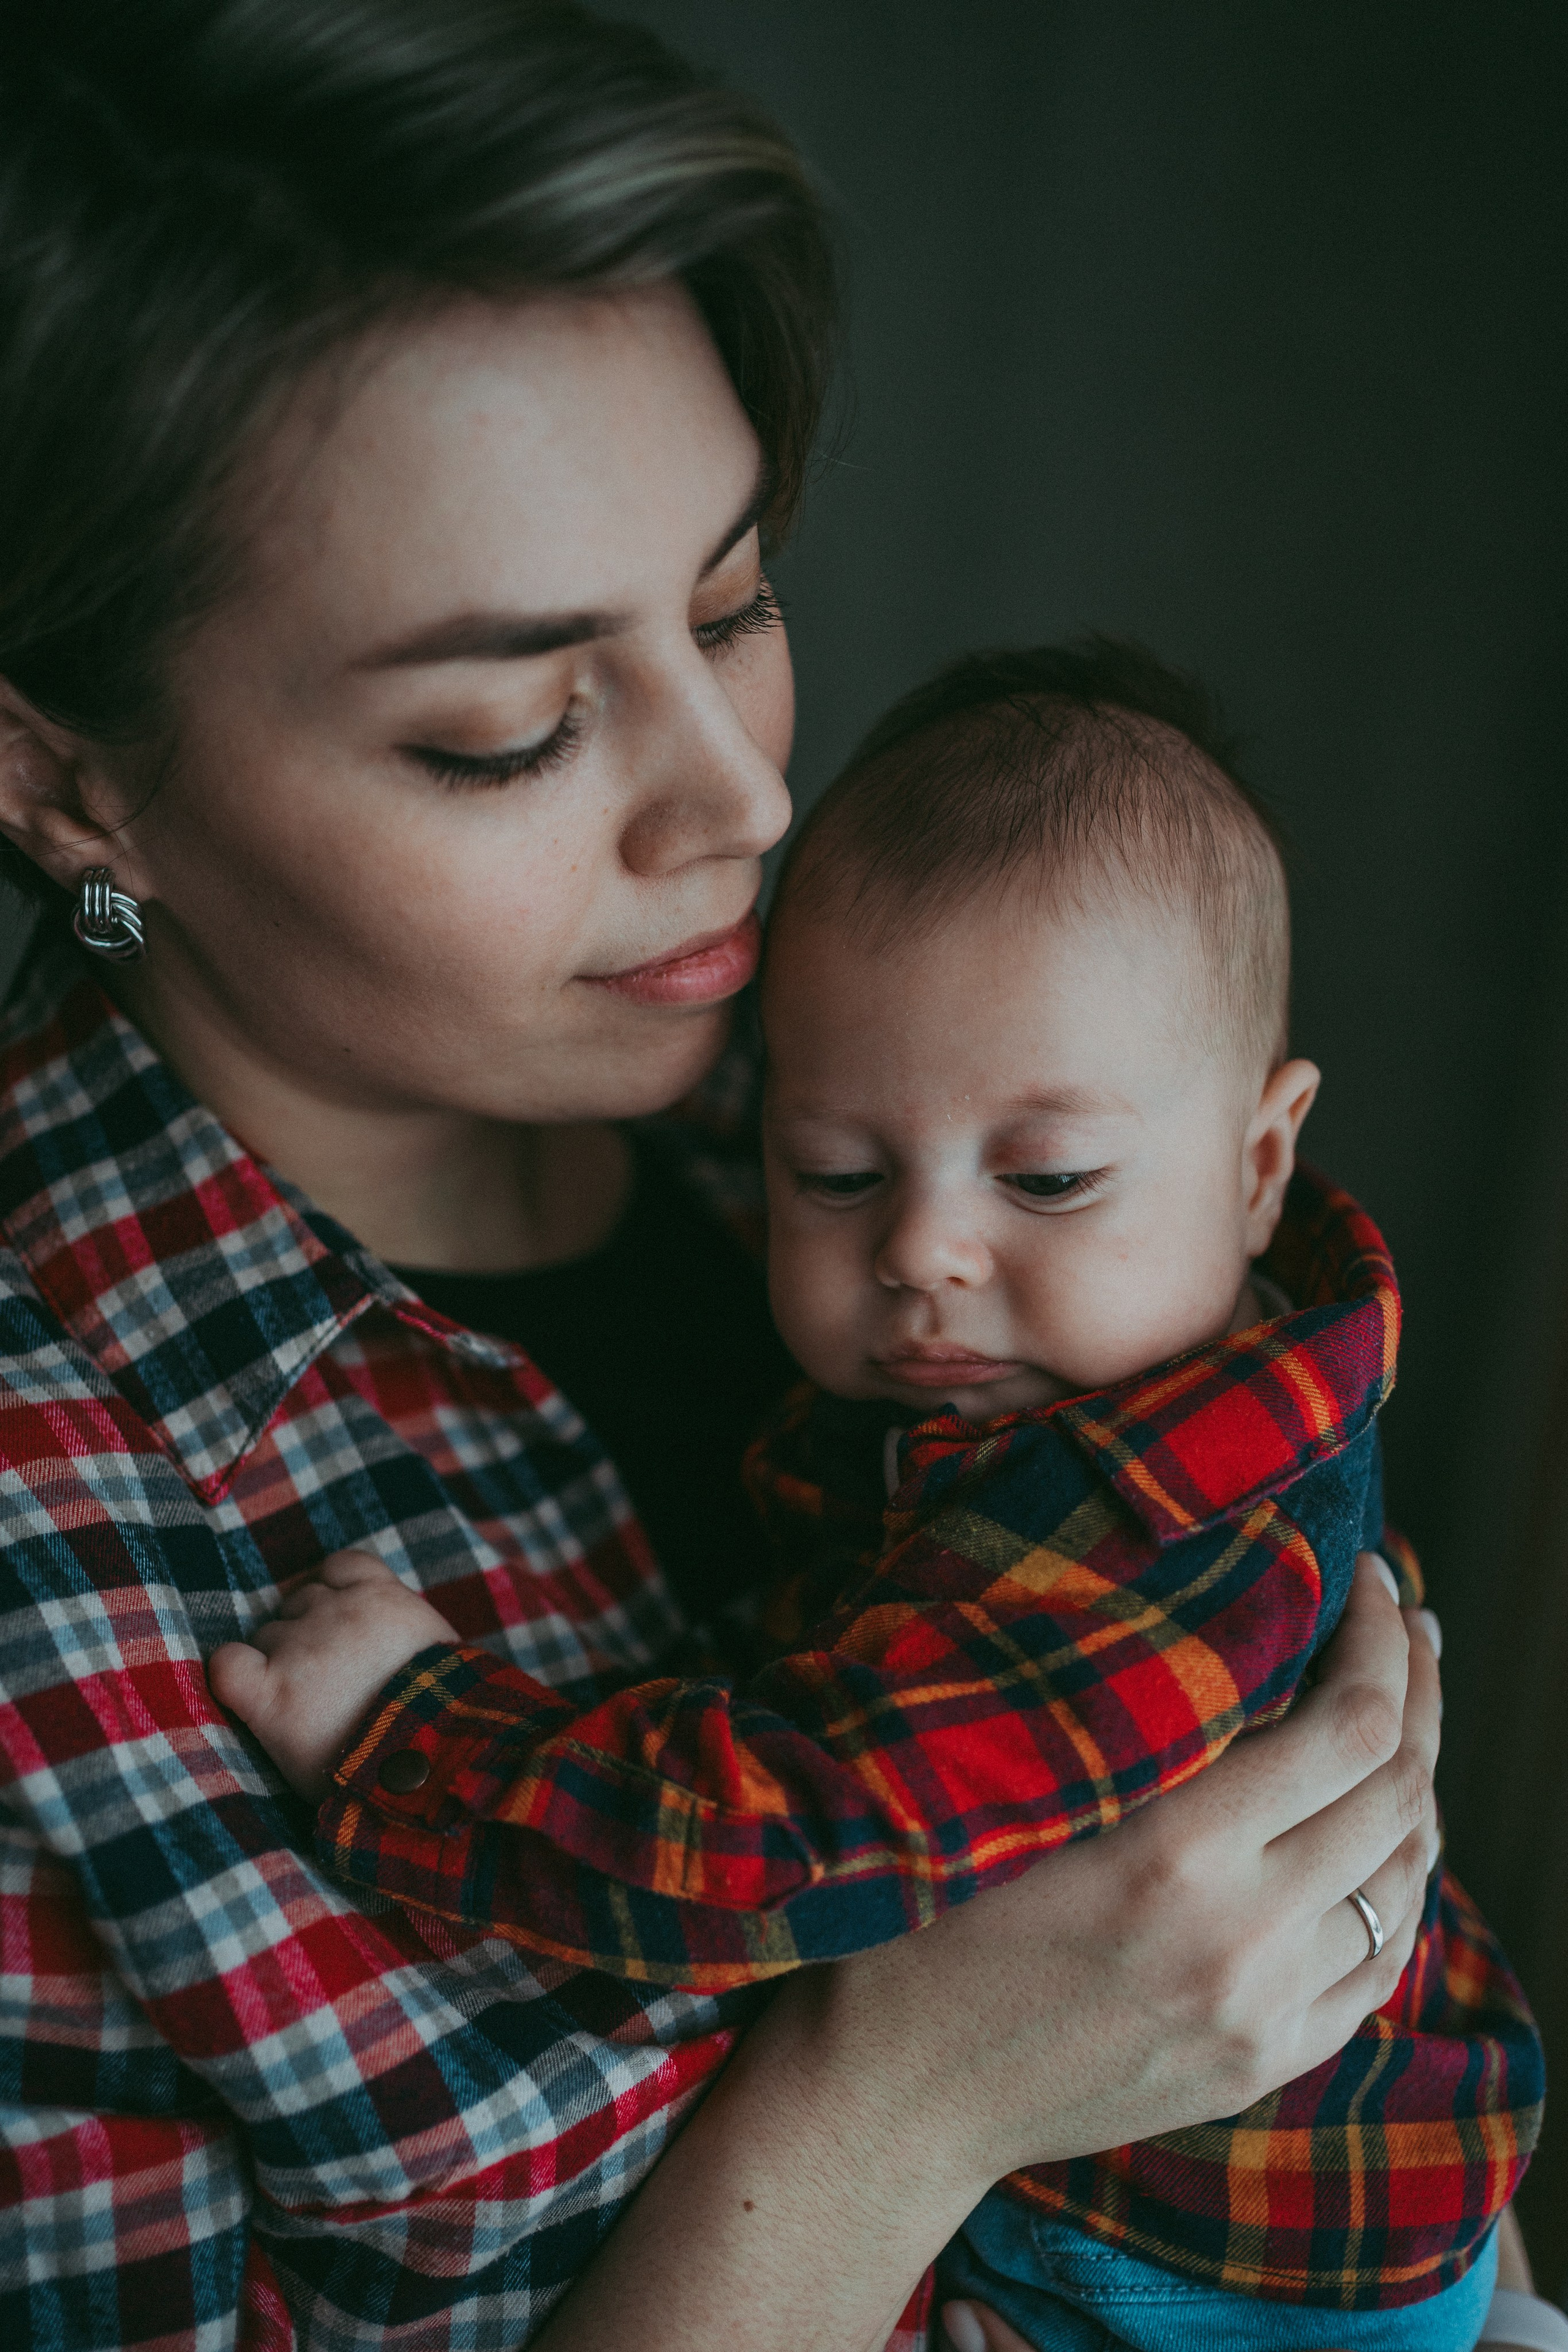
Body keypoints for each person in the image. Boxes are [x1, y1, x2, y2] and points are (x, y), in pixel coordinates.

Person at [0, 5, 1474, 2348]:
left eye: (733, 607)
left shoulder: (859, 1113)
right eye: (508, 731)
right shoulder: (58, 1528)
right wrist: (894, 2104)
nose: (743, 808)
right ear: (70, 782)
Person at [218, 641, 1547, 2350]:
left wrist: (412, 1732)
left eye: (1049, 1177)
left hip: (1226, 2285)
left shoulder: (1143, 1526)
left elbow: (782, 1843)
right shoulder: (1197, 1363)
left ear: (1262, 1160)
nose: (921, 1251)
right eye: (835, 1172)